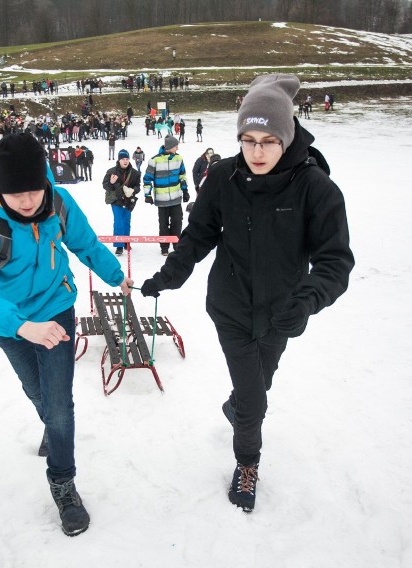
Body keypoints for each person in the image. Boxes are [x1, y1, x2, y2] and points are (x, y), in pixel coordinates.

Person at [139, 74, 354, 513]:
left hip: (282, 311)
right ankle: (247, 463)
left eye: (269, 141)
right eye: (248, 140)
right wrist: (167, 276)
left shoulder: (316, 189)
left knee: (259, 384)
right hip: (231, 306)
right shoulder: (222, 177)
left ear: (287, 137)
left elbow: (335, 261)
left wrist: (307, 300)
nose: (257, 152)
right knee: (255, 397)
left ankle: (237, 406)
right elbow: (198, 236)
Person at [0, 133, 133, 536]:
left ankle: (62, 483)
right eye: (15, 193)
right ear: (0, 189)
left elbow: (86, 244)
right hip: (13, 322)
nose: (27, 201)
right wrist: (21, 326)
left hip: (56, 310)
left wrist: (116, 276)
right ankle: (52, 429)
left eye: (34, 190)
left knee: (58, 406)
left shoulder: (57, 203)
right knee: (37, 392)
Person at [143, 135, 188, 256]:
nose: (177, 148)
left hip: (176, 198)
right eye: (175, 146)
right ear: (169, 147)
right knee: (163, 224)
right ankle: (164, 247)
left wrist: (185, 190)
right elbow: (147, 179)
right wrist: (147, 195)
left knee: (177, 222)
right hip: (162, 200)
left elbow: (182, 175)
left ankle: (176, 244)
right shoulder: (155, 160)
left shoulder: (178, 158)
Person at [103, 149, 140, 256]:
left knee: (126, 222)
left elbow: (138, 186)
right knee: (118, 221)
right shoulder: (111, 171)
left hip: (129, 201)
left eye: (127, 159)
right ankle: (119, 245)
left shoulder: (135, 173)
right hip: (116, 201)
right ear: (119, 160)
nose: (125, 161)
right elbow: (105, 185)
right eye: (123, 159)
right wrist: (111, 182)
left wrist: (133, 190)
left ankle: (126, 242)